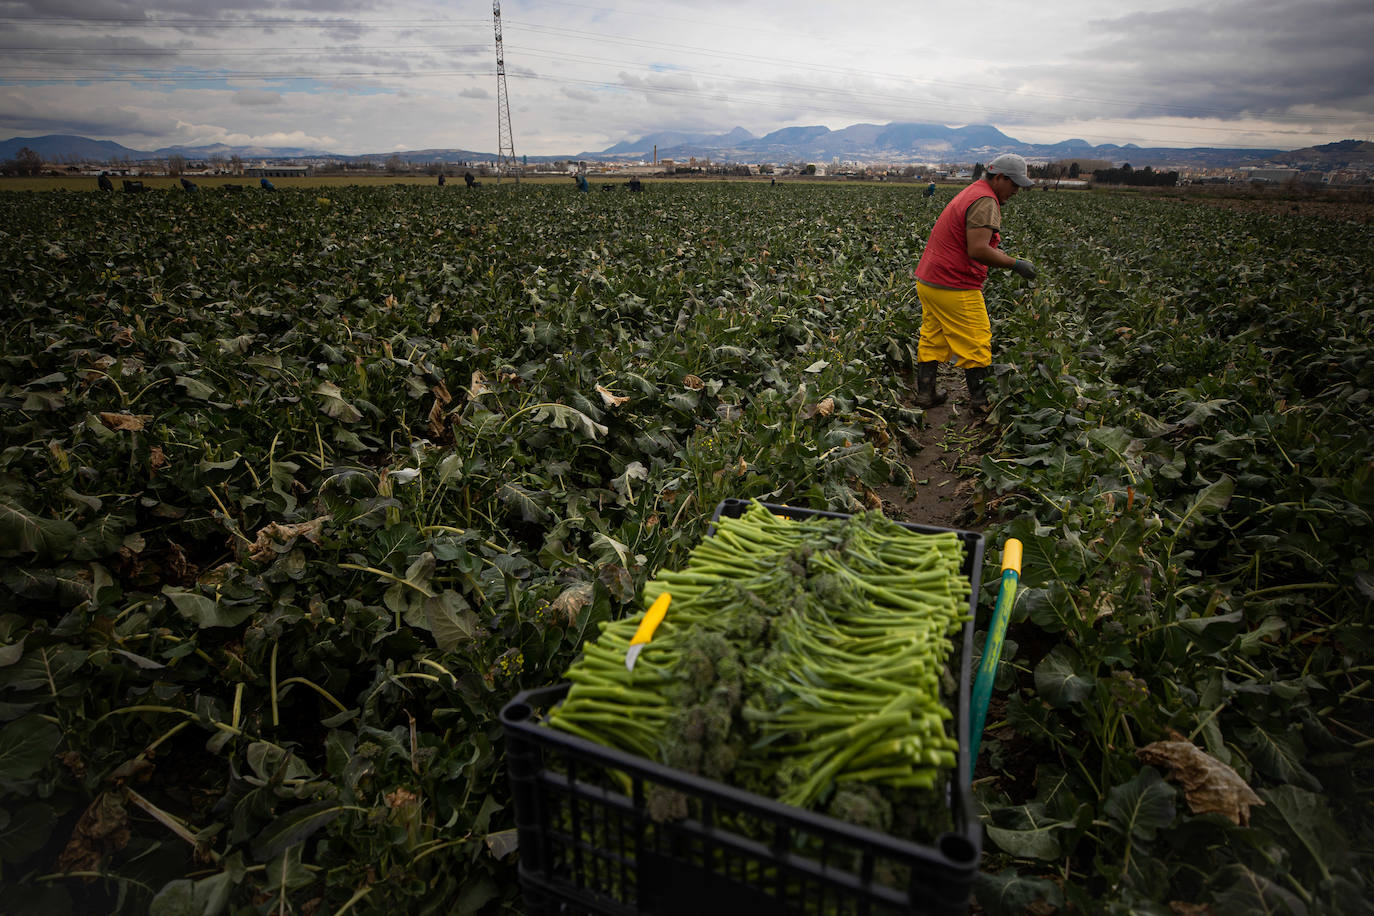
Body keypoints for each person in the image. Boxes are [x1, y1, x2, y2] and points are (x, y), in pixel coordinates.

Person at [911, 153, 1037, 410]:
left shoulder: (973, 191)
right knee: (976, 342)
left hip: (929, 280)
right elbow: (978, 250)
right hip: (953, 284)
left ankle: (926, 394)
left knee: (933, 337)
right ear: (999, 177)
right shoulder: (985, 200)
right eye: (1014, 185)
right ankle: (981, 403)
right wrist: (1015, 264)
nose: (1016, 191)